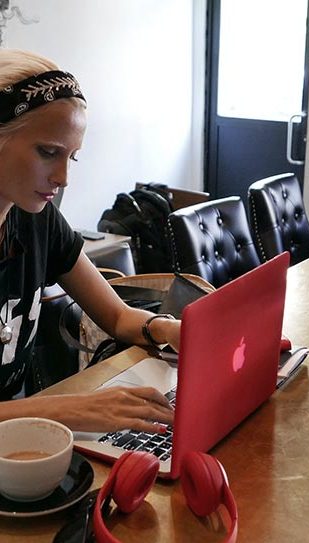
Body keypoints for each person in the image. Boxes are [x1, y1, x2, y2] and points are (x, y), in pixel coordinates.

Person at [0, 48, 180, 433]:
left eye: (72, 157)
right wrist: (65, 409)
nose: (63, 178)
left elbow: (116, 316)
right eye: (48, 152)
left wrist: (170, 330)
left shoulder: (38, 220)